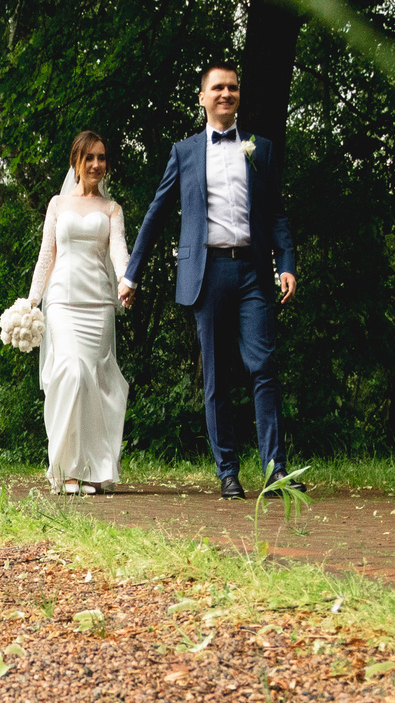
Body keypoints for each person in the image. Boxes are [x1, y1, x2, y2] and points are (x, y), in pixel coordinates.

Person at [120, 63, 297, 499]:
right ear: (202, 97)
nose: (226, 93)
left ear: (239, 96)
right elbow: (157, 214)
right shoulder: (184, 152)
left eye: (232, 87)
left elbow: (276, 213)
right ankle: (228, 473)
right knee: (216, 376)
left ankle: (275, 471)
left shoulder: (260, 149)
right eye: (217, 87)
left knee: (263, 367)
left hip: (254, 272)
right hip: (207, 272)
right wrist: (132, 275)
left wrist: (287, 263)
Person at [26, 129, 130, 494]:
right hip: (62, 301)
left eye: (102, 158)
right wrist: (31, 303)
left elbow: (118, 251)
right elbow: (46, 256)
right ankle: (66, 469)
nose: (97, 165)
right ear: (76, 162)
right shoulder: (57, 205)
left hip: (98, 303)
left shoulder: (112, 210)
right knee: (71, 372)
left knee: (94, 383)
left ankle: (91, 470)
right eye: (90, 158)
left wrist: (125, 281)